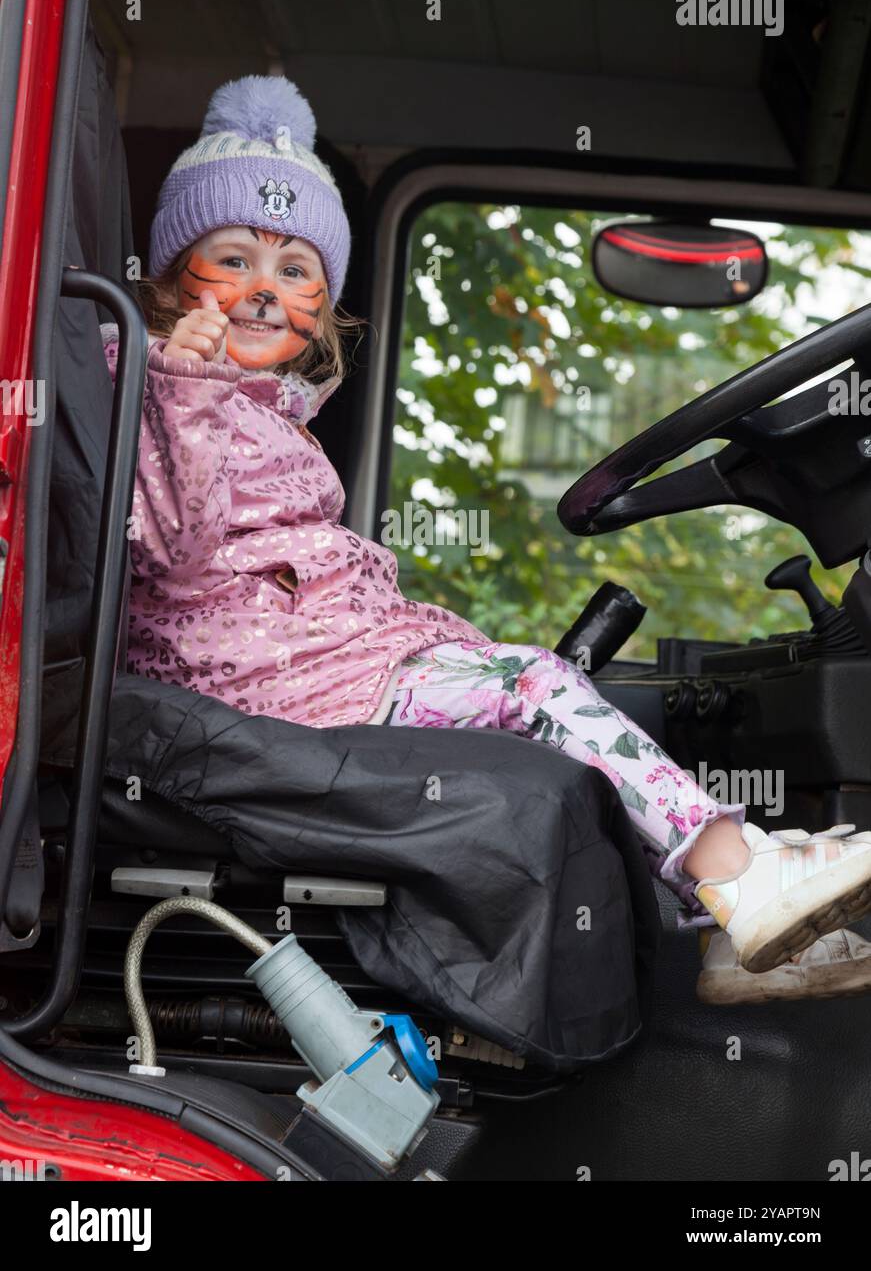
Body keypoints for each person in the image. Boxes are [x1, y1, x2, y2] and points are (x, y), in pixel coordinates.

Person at [102, 75, 871, 1004]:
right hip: (260, 692)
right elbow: (169, 553)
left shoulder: (274, 411)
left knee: (529, 688)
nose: (266, 292)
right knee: (532, 685)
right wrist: (188, 389)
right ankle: (735, 871)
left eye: (295, 270)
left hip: (311, 667)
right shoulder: (152, 387)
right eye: (232, 260)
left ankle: (718, 928)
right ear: (173, 273)